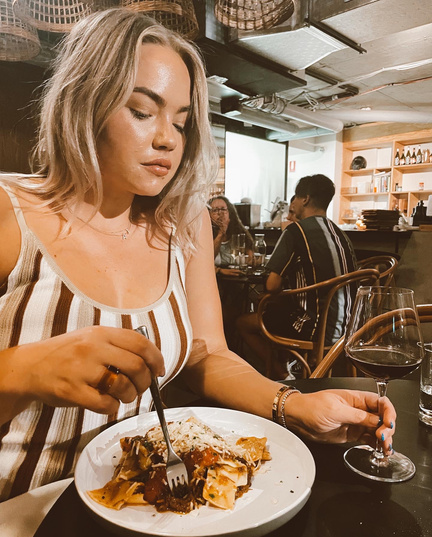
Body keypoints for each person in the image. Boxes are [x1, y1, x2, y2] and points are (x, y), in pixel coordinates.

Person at [0, 9, 395, 503]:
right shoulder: (11, 211)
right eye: (141, 112)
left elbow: (207, 356)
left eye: (181, 122)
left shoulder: (184, 223)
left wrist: (295, 405)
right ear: (85, 103)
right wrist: (24, 369)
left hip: (136, 506)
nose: (168, 138)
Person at [236, 174, 357, 376]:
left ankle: (284, 376)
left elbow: (272, 285)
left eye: (295, 197)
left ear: (305, 199)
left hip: (315, 328)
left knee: (243, 323)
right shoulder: (340, 233)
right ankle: (296, 365)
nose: (292, 204)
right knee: (282, 309)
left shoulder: (296, 231)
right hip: (350, 326)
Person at [208, 195, 254, 276]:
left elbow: (251, 259)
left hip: (238, 277)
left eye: (223, 209)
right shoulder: (204, 234)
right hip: (216, 278)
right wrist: (221, 233)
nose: (220, 213)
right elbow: (206, 260)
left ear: (230, 212)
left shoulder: (239, 232)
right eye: (215, 210)